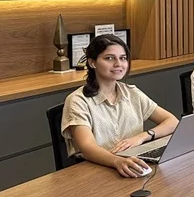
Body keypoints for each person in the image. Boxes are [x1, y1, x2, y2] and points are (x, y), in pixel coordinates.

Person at [61, 34, 180, 178]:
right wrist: (117, 161)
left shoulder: (132, 93)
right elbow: (87, 147)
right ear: (92, 63)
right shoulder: (77, 100)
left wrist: (142, 137)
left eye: (123, 58)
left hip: (132, 164)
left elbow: (172, 122)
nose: (118, 64)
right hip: (96, 170)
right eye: (109, 58)